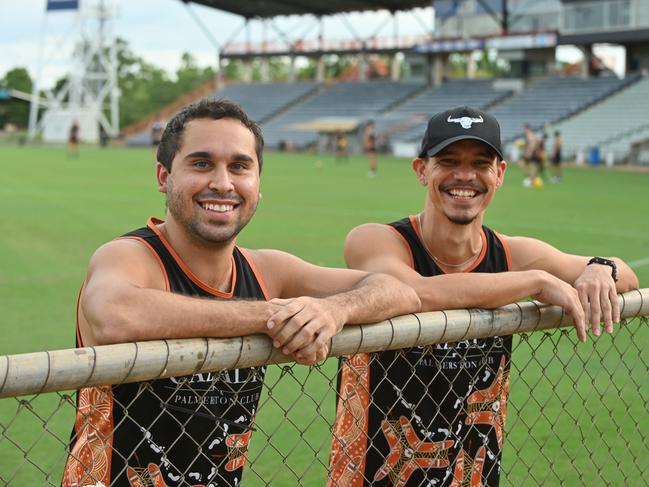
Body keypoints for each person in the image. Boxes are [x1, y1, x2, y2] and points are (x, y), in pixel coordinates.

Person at [61, 99, 420, 487]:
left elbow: (398, 291)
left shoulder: (267, 269)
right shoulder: (132, 256)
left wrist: (332, 311)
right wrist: (275, 317)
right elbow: (115, 315)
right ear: (164, 177)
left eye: (239, 166)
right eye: (201, 164)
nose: (222, 182)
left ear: (258, 184)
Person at [328, 106, 638, 487]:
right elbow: (414, 293)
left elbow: (628, 274)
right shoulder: (377, 241)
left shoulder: (509, 256)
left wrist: (600, 267)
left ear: (500, 174)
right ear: (421, 170)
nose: (465, 175)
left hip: (473, 475)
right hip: (375, 474)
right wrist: (533, 282)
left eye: (480, 162)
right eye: (448, 161)